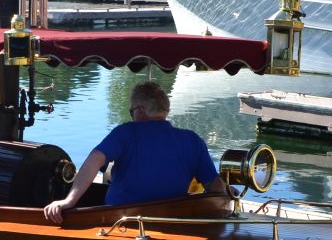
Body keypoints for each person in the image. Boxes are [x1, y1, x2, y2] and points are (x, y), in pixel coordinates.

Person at [44, 81, 228, 224]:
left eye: (131, 111)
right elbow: (215, 187)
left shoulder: (126, 133)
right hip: (173, 222)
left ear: (139, 111)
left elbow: (94, 159)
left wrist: (68, 201)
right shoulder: (193, 140)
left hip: (120, 222)